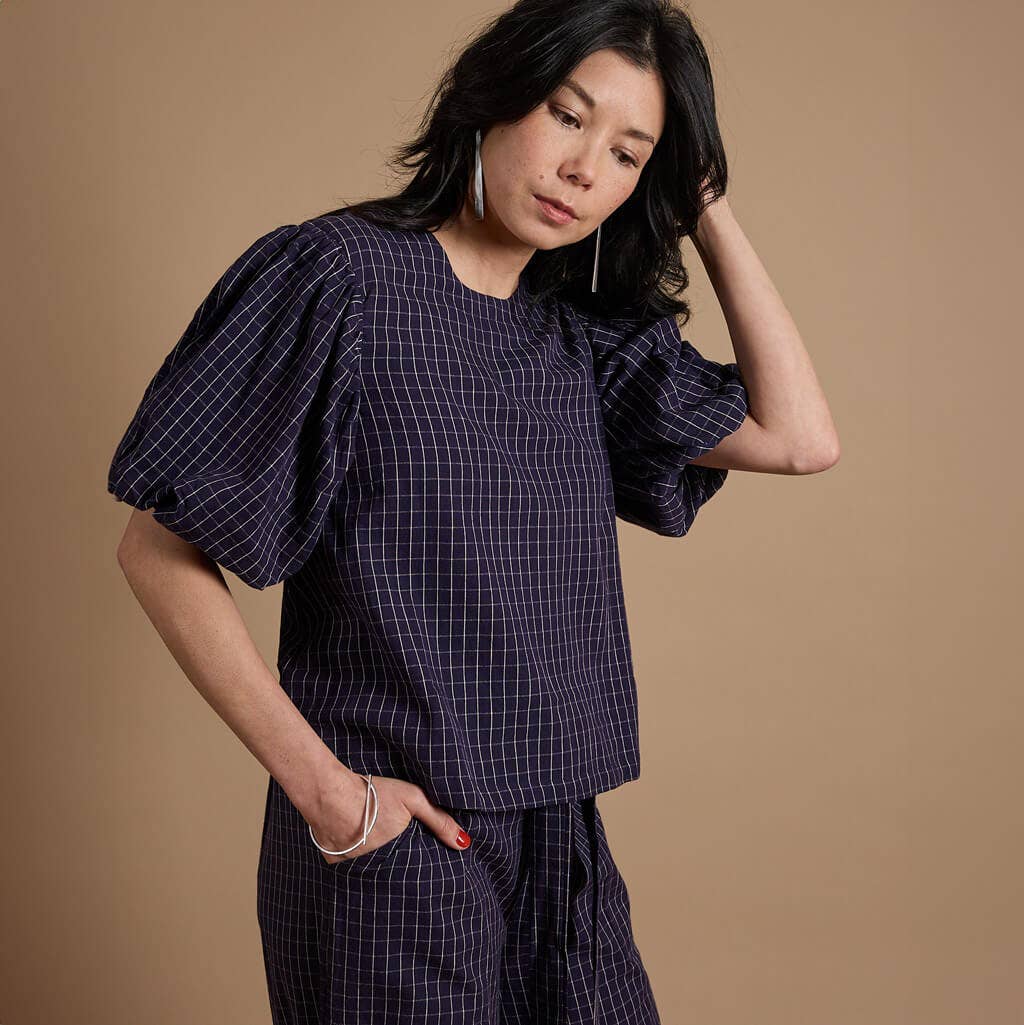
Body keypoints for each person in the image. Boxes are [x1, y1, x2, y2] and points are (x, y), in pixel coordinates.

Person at [107, 1, 839, 1022]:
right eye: (567, 116)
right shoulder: (338, 279)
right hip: (398, 842)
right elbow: (155, 547)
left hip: (561, 838)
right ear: (492, 96)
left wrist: (704, 199)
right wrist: (331, 795)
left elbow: (797, 436)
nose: (584, 169)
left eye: (628, 154)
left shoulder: (578, 336)